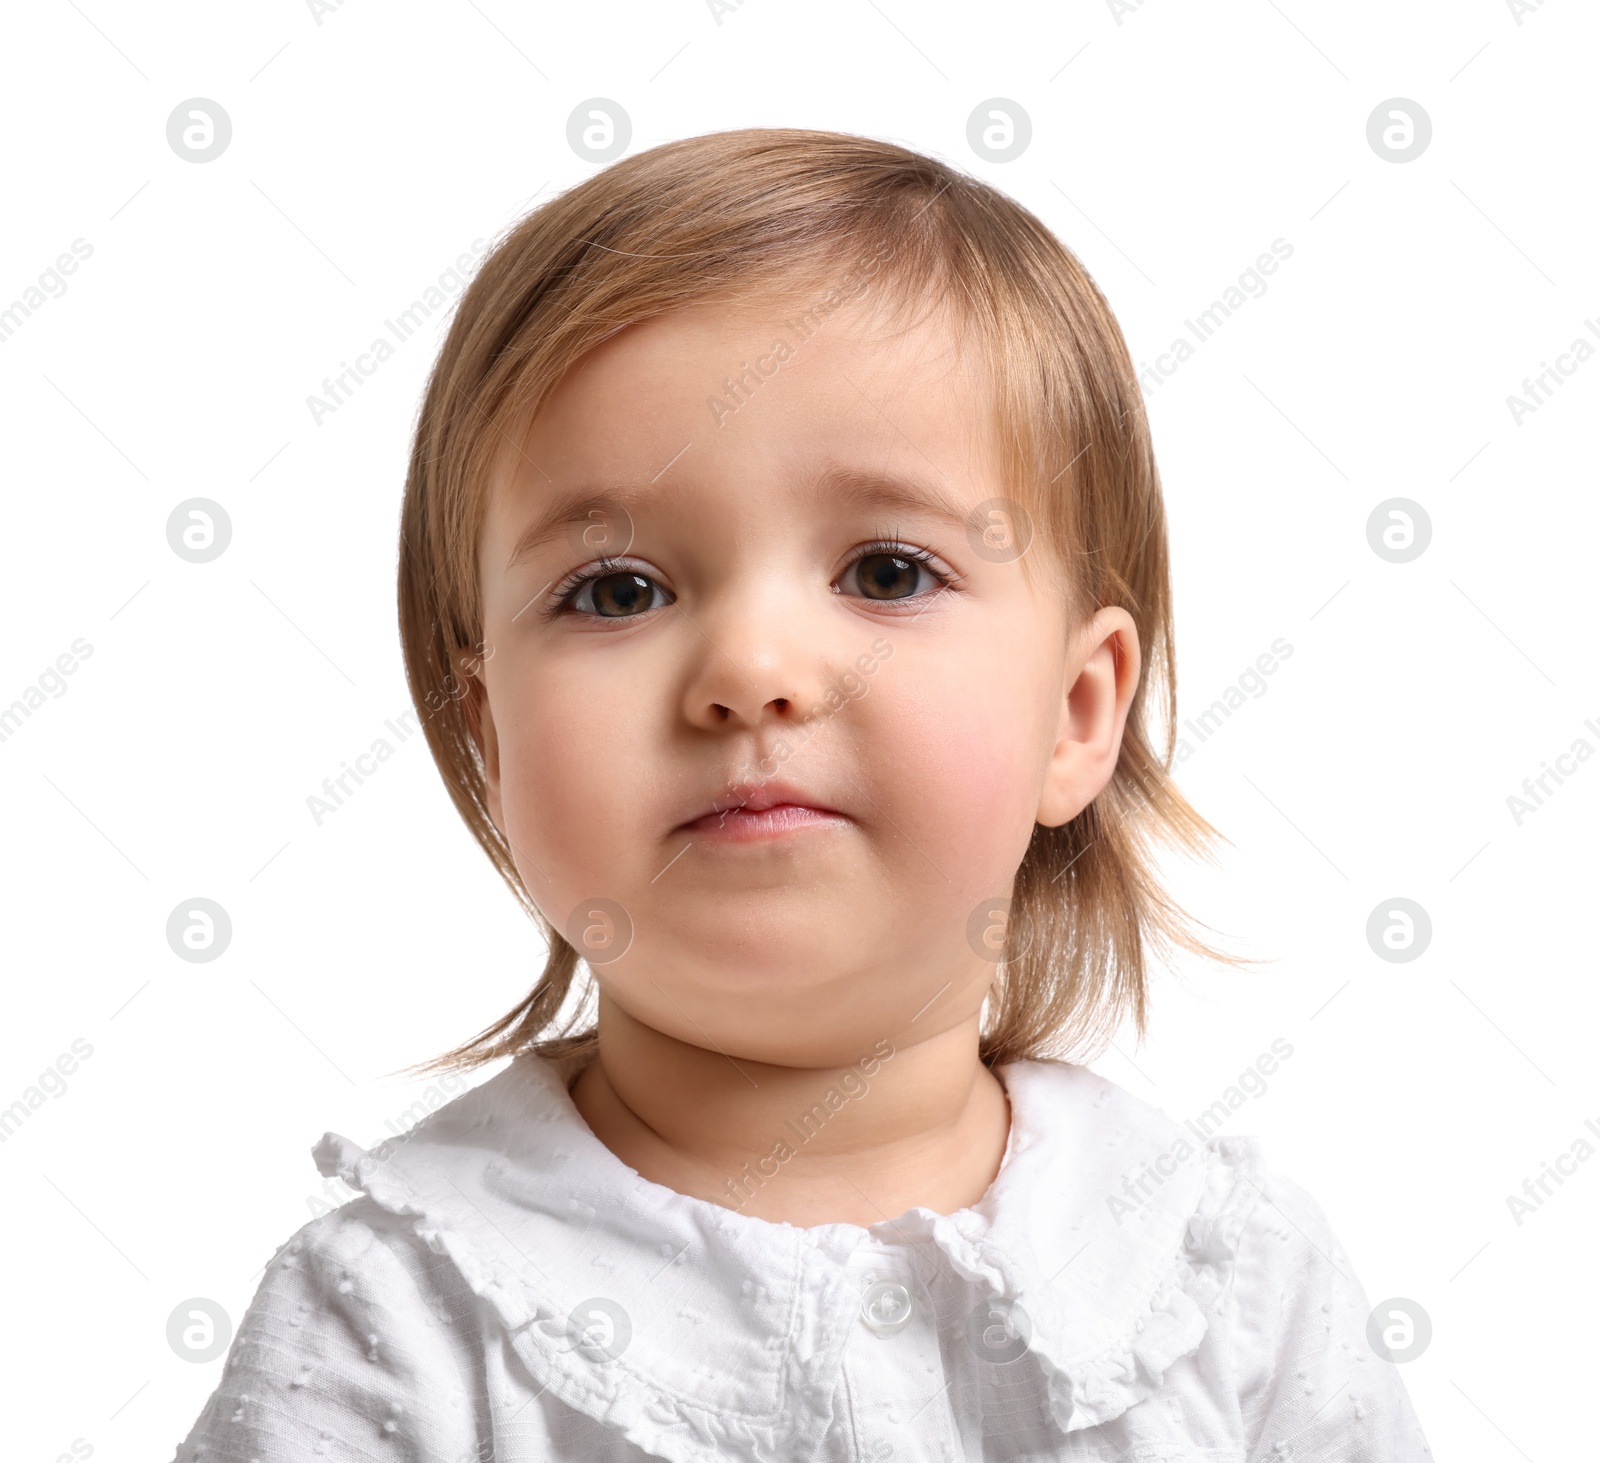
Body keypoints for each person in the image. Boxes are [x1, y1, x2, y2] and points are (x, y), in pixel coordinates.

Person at [173, 127, 1433, 1461]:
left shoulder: (1220, 1282)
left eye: (888, 572)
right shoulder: (403, 1313)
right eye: (617, 591)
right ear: (490, 737)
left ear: (1076, 713)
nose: (751, 672)